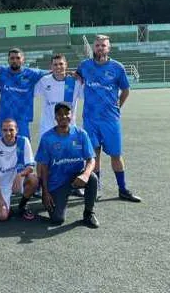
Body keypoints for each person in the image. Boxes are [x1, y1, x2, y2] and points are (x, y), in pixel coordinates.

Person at [76, 35, 141, 202]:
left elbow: (125, 90)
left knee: (116, 155)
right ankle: (96, 189)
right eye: (97, 45)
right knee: (94, 155)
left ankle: (122, 189)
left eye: (103, 46)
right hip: (90, 119)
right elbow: (76, 77)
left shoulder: (117, 67)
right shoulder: (84, 66)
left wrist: (118, 106)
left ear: (108, 48)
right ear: (93, 48)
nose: (100, 48)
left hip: (110, 120)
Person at [35, 103, 100, 228]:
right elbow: (43, 167)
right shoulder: (47, 138)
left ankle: (88, 214)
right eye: (59, 114)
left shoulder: (81, 134)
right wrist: (45, 192)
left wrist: (85, 175)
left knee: (92, 178)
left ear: (72, 115)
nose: (63, 116)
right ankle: (60, 198)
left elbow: (91, 159)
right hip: (57, 183)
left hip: (76, 178)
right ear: (55, 117)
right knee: (57, 219)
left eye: (67, 113)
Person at [0, 119, 38, 221]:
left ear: (17, 130)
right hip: (1, 185)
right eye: (5, 130)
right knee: (2, 216)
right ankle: (2, 204)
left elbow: (30, 167)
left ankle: (22, 206)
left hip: (18, 179)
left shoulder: (24, 141)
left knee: (33, 179)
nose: (8, 133)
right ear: (1, 131)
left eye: (11, 130)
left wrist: (20, 175)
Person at [0, 48, 49, 139]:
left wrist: (70, 74)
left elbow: (54, 72)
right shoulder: (1, 71)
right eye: (12, 58)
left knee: (23, 149)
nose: (15, 60)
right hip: (4, 119)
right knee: (0, 148)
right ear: (8, 60)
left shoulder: (32, 73)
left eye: (18, 58)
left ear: (23, 60)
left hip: (22, 120)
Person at [35, 54, 84, 140]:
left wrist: (83, 79)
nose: (58, 67)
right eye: (55, 64)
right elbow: (29, 93)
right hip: (48, 128)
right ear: (51, 66)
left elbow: (87, 96)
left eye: (61, 64)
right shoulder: (44, 81)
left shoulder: (75, 81)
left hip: (69, 128)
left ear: (66, 65)